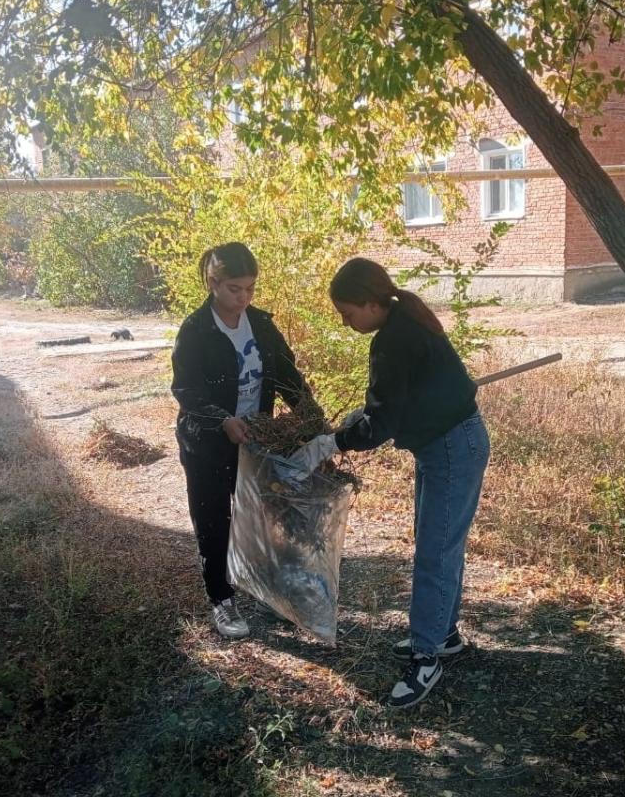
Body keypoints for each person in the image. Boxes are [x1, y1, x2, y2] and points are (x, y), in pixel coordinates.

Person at [290, 257, 490, 710]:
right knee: (439, 543)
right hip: (448, 442)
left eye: (348, 313)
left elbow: (381, 426)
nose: (346, 323)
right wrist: (357, 420)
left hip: (452, 448)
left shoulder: (394, 338)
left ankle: (426, 656)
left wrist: (332, 443)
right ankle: (444, 634)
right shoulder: (403, 321)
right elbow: (392, 404)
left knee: (436, 551)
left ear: (371, 302)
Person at [172, 242, 318, 639]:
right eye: (235, 288)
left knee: (257, 515)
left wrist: (312, 415)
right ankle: (221, 599)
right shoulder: (196, 331)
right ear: (214, 283)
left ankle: (260, 584)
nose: (244, 297)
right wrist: (222, 421)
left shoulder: (262, 325)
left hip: (256, 439)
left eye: (251, 288)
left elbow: (288, 374)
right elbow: (186, 389)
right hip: (208, 444)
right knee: (213, 520)